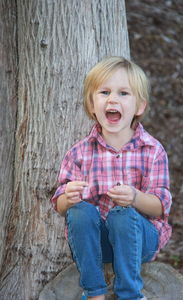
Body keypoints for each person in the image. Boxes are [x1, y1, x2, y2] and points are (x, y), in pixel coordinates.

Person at [51, 56, 172, 300]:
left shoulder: (152, 150)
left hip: (140, 240)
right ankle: (94, 292)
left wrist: (135, 197)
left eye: (123, 93)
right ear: (91, 105)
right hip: (99, 245)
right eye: (104, 92)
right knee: (78, 212)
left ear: (140, 107)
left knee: (123, 214)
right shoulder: (79, 153)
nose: (113, 99)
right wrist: (69, 197)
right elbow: (60, 204)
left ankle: (130, 293)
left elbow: (160, 207)